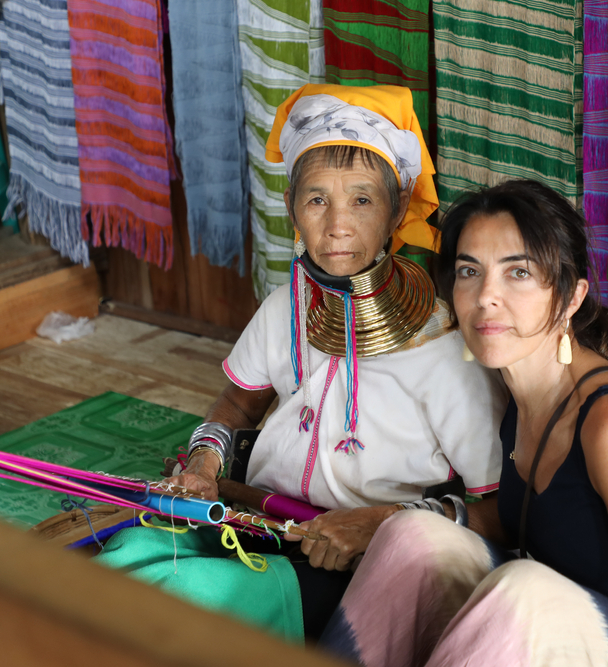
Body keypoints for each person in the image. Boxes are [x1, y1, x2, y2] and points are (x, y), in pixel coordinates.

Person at [95, 84, 506, 641]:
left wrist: (375, 526)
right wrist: (203, 467)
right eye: (317, 200)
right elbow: (239, 403)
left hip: (352, 564)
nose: (337, 223)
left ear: (396, 210)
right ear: (292, 209)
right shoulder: (283, 309)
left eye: (362, 199)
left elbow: (493, 511)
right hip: (252, 520)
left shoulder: (445, 346)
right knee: (119, 559)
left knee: (179, 598)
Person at [320, 180, 608, 667]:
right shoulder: (517, 394)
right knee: (409, 536)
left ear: (571, 296)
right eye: (470, 271)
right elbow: (538, 517)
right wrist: (387, 520)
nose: (486, 297)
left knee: (524, 591)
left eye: (518, 272)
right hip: (595, 630)